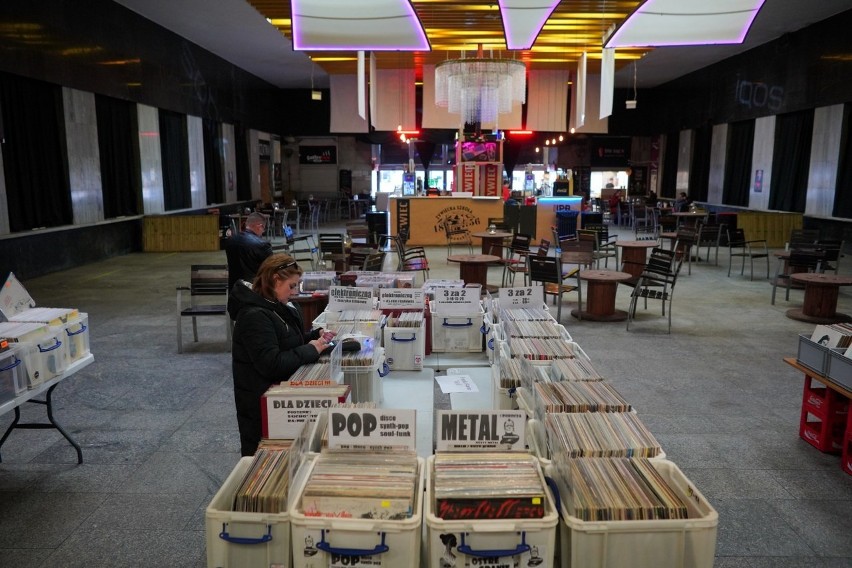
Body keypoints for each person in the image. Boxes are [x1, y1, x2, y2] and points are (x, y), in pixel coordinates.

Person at [228, 253, 333, 456]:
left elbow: (284, 339)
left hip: (277, 401)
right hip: (261, 409)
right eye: (291, 286)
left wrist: (314, 335)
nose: (294, 292)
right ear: (275, 280)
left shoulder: (274, 304)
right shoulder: (254, 316)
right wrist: (311, 349)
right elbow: (271, 363)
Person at [225, 211, 272, 291]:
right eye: (263, 228)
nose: (262, 232)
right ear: (259, 226)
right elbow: (270, 270)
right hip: (255, 293)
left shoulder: (231, 241)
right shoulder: (263, 245)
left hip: (234, 292)